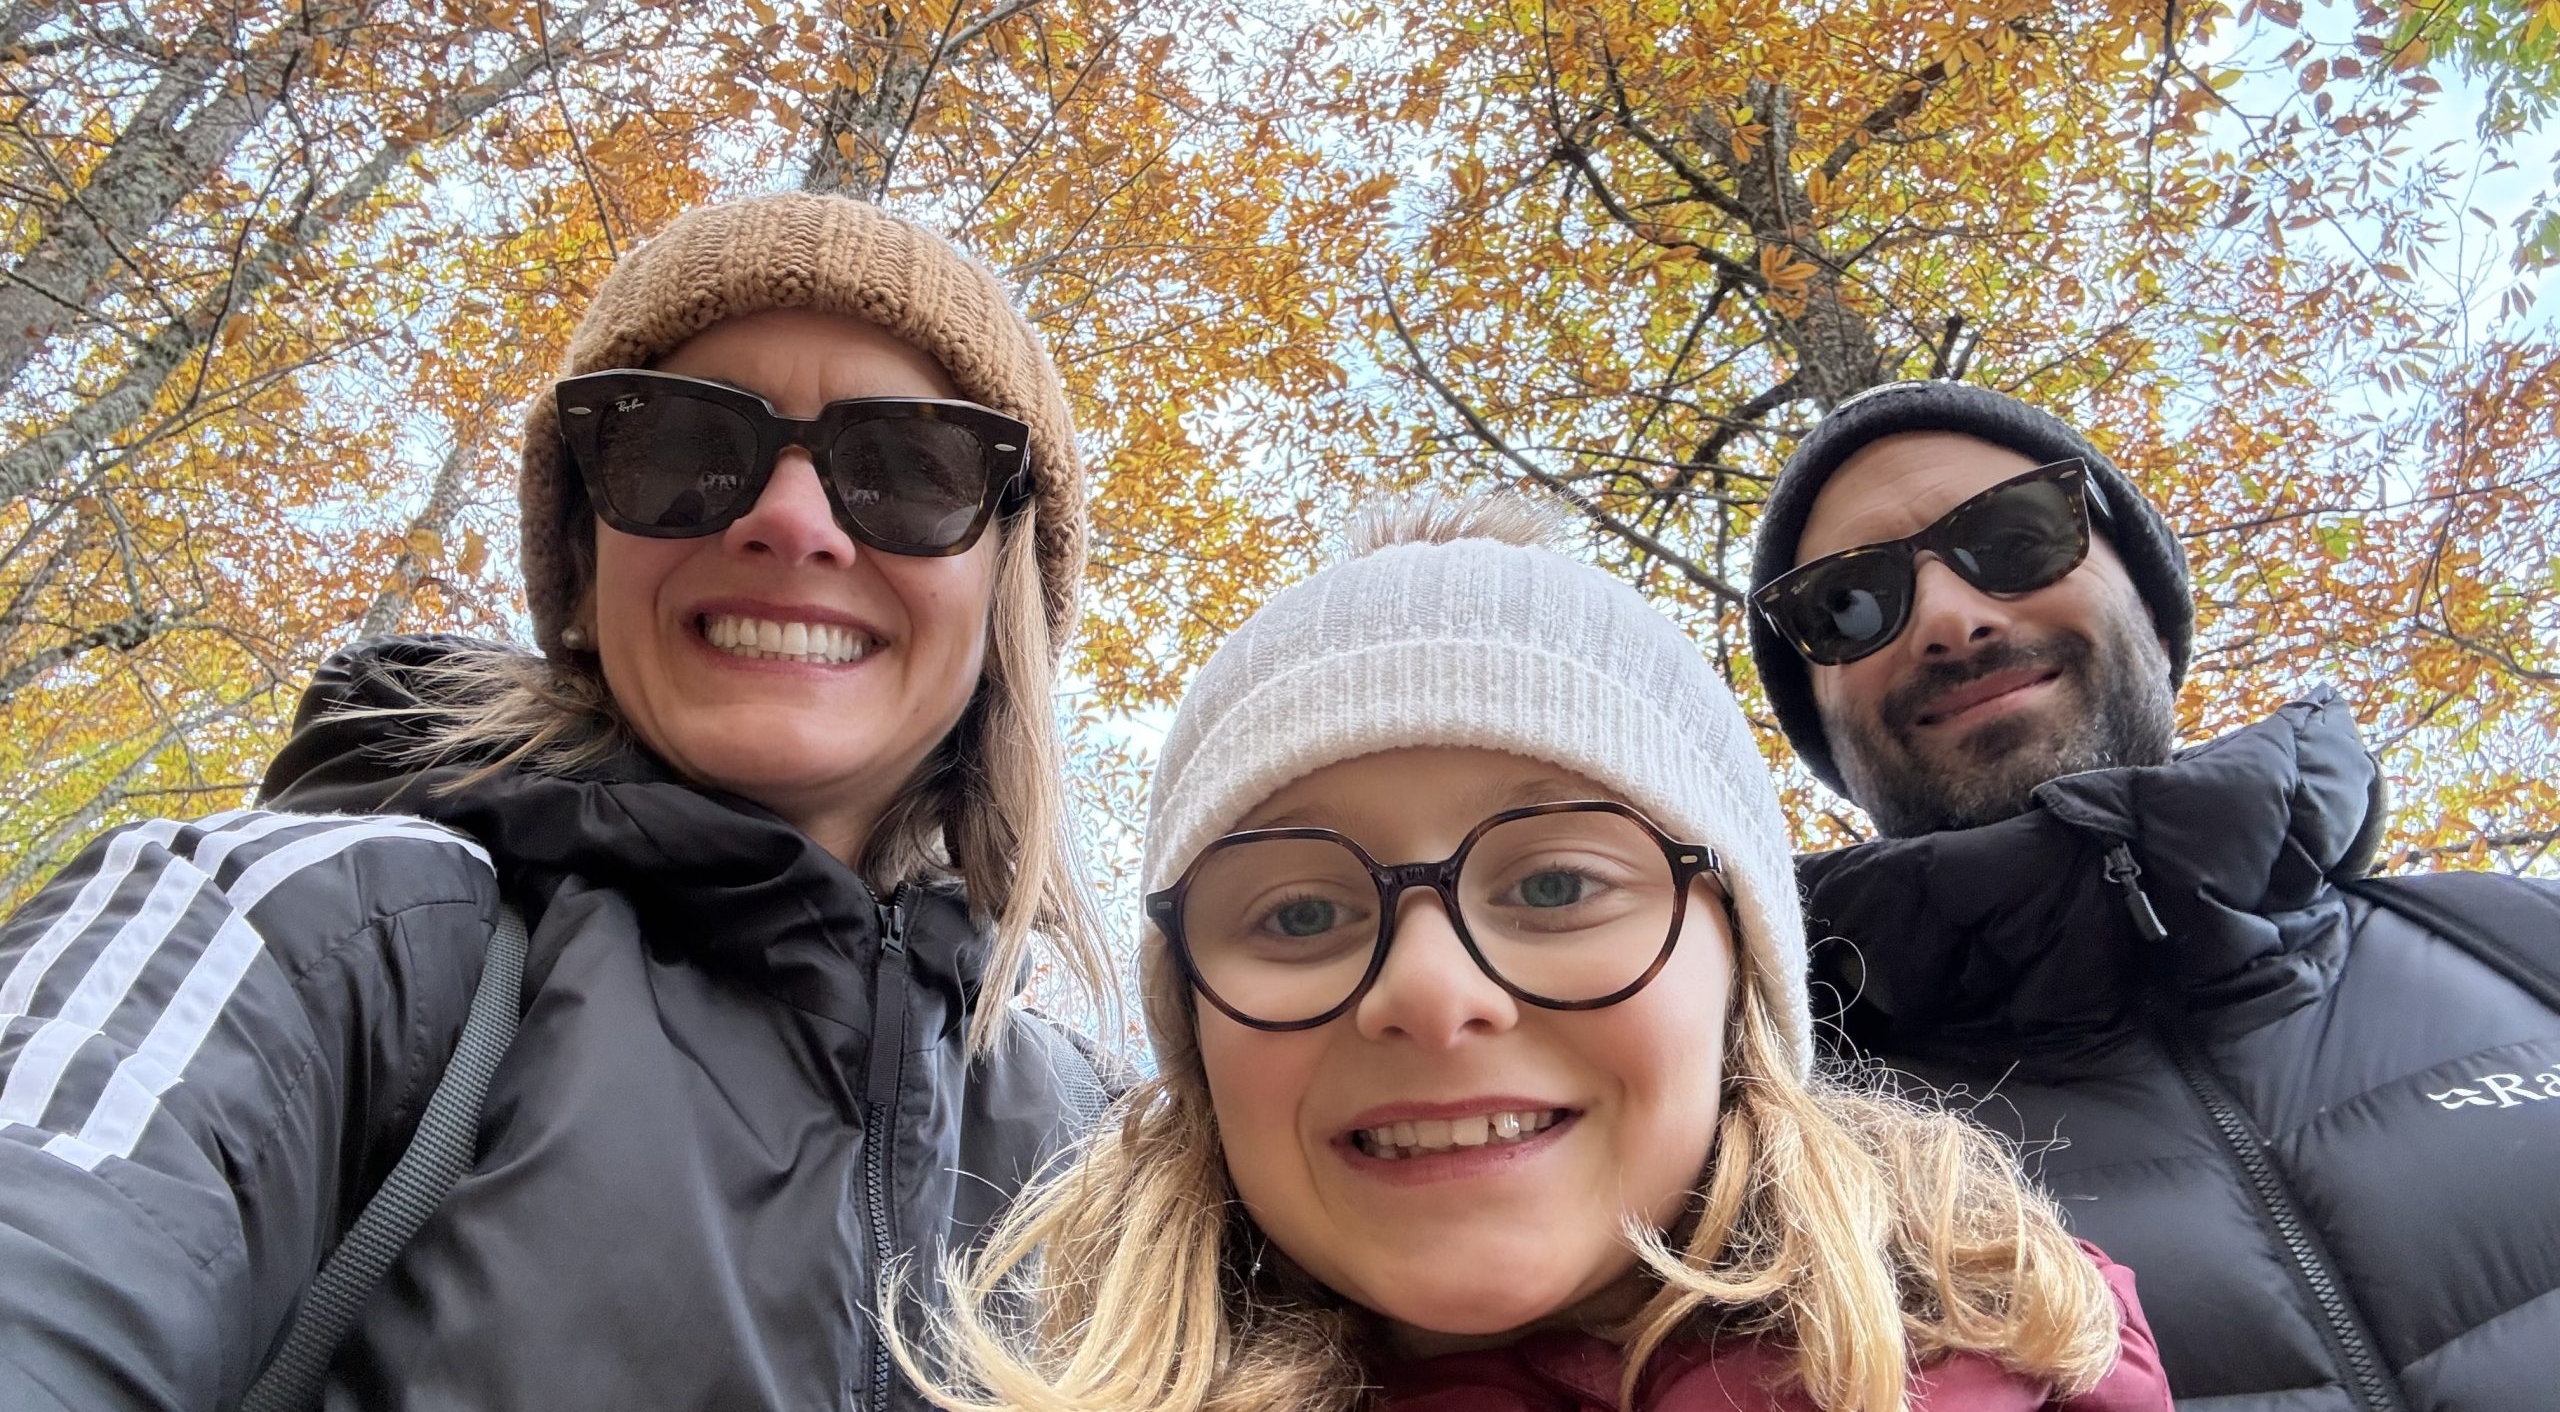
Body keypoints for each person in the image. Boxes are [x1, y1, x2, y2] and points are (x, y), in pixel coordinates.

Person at [0, 192, 1116, 1410]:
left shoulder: (1109, 1145)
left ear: (1005, 592)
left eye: (909, 469)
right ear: (583, 561)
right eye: (683, 447)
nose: (789, 522)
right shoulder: (319, 933)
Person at [905, 496, 2171, 1412]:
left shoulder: (2039, 1358)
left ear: (1742, 974)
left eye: (1557, 883)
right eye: (1297, 913)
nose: (1432, 992)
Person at [1745, 379, 2560, 1412]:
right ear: (1827, 735)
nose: (1950, 619)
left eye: (2018, 532)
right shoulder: (1777, 1152)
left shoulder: (2524, 938)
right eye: (1848, 603)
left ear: (2155, 612)